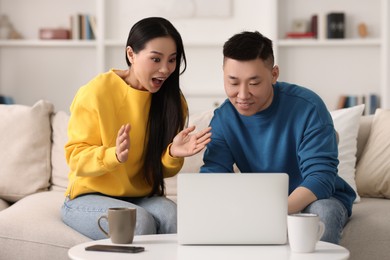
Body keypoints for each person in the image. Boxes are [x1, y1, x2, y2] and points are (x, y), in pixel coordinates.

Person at [61, 17, 212, 240]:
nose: (165, 69)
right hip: (87, 197)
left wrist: (172, 154)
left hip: (141, 196)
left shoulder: (172, 102)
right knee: (138, 221)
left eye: (172, 60)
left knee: (173, 216)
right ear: (131, 54)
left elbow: (162, 171)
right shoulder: (96, 92)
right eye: (155, 59)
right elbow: (75, 157)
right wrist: (113, 155)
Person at [200, 31, 356, 244]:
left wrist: (272, 213)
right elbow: (214, 176)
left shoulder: (308, 108)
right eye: (233, 82)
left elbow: (320, 178)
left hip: (317, 199)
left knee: (322, 213)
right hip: (261, 204)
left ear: (274, 74)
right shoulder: (223, 119)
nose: (243, 95)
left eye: (254, 83)